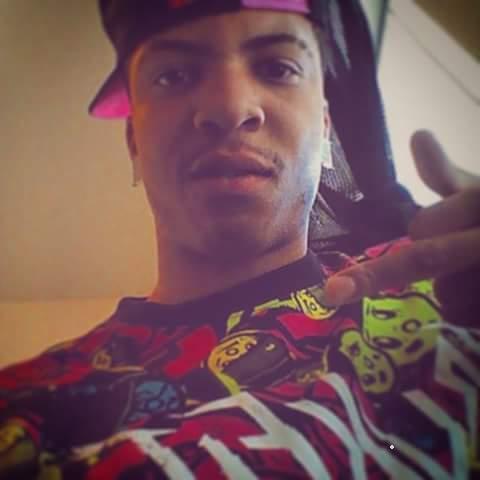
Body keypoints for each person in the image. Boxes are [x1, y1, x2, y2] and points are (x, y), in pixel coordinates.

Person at [0, 0, 479, 478]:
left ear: (325, 123)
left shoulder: (455, 282)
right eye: (174, 76)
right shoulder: (23, 413)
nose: (230, 108)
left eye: (277, 68)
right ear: (133, 142)